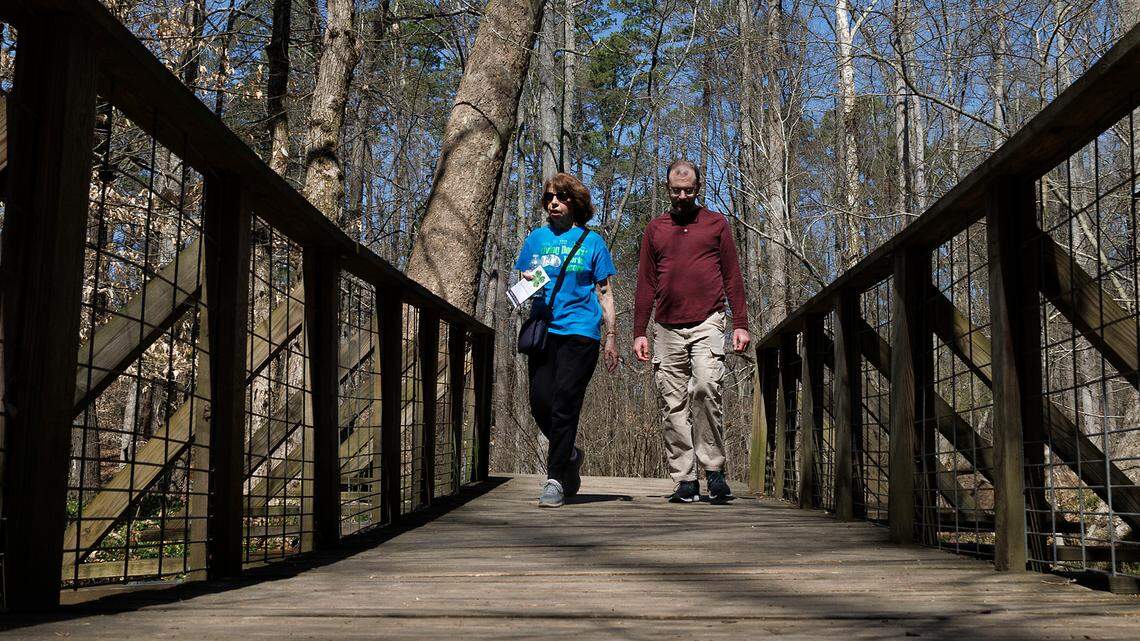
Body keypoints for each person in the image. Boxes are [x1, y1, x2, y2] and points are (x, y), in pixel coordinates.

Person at [633, 159, 751, 504]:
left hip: (708, 321)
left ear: (698, 189)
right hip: (666, 326)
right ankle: (685, 479)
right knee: (672, 404)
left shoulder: (716, 224)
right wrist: (639, 330)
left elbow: (732, 276)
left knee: (705, 387)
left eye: (688, 190)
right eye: (675, 190)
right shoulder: (656, 229)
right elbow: (645, 283)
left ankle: (713, 471)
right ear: (667, 190)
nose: (682, 196)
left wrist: (740, 323)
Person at [516, 172, 619, 508]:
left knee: (564, 404)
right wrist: (528, 279)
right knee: (539, 402)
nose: (554, 203)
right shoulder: (536, 240)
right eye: (549, 198)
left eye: (561, 197)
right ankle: (571, 454)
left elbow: (605, 293)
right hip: (545, 330)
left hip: (581, 333)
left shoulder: (592, 243)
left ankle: (556, 478)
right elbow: (523, 285)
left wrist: (612, 337)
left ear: (576, 202)